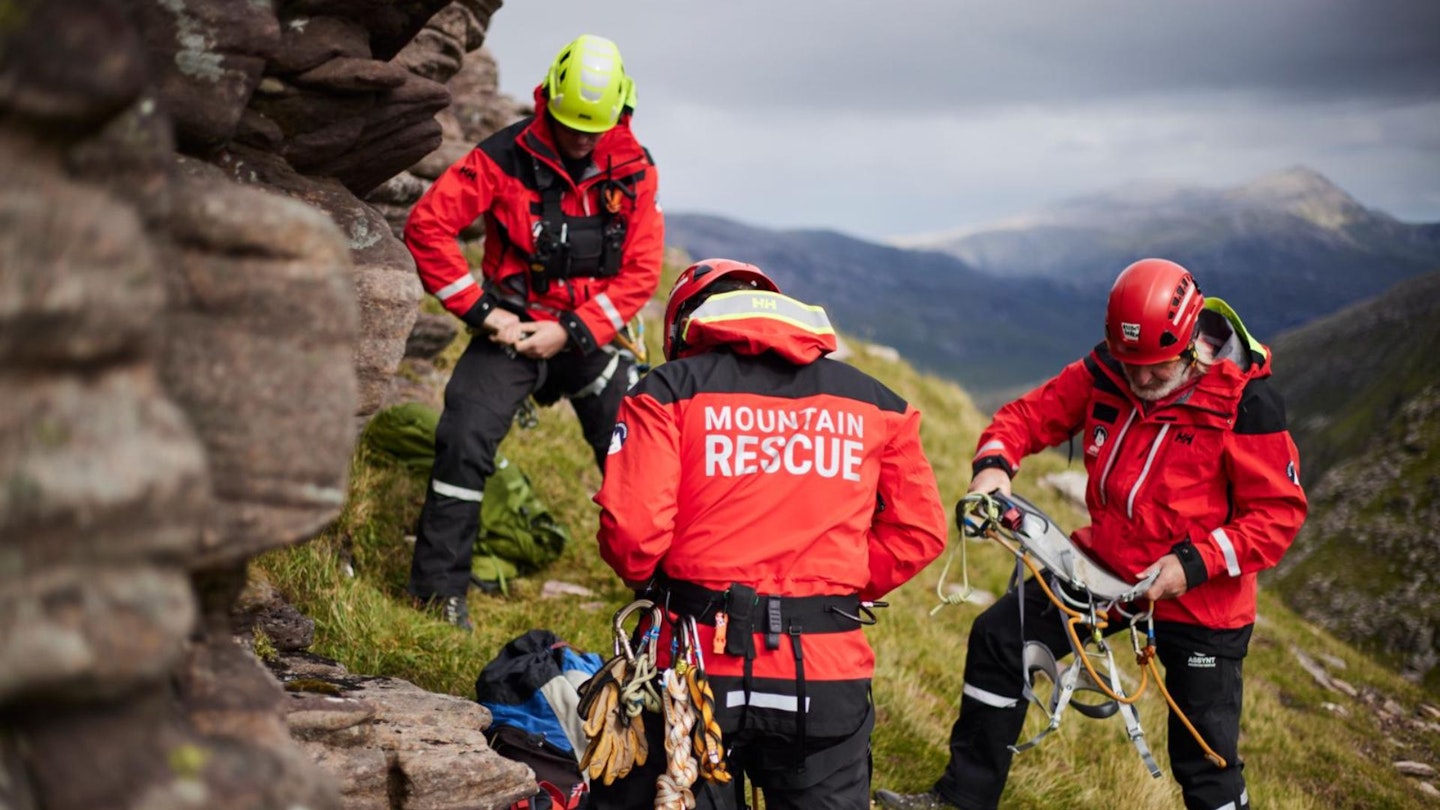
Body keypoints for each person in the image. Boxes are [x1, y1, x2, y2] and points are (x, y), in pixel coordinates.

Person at [876, 258, 1308, 810]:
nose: (1142, 380)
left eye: (1156, 367)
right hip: (1101, 570)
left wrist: (1191, 565)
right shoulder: (1110, 369)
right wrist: (994, 466)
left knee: (1205, 757)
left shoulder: (1246, 403)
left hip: (1200, 601)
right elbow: (1026, 418)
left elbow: (1277, 515)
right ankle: (962, 800)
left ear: (1191, 344)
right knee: (999, 639)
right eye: (1132, 365)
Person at [592, 259, 949, 809]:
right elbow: (919, 531)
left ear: (686, 326)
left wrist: (654, 580)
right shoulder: (879, 404)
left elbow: (633, 535)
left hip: (695, 666)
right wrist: (834, 589)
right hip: (828, 670)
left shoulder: (664, 391)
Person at [403, 33, 663, 630]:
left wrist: (572, 331)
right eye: (571, 125)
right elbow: (427, 228)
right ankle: (437, 593)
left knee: (639, 448)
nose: (580, 138)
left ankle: (664, 592)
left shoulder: (636, 170)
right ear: (548, 103)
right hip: (511, 328)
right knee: (465, 432)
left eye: (593, 128)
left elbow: (641, 271)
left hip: (589, 335)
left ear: (621, 112)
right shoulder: (503, 156)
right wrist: (482, 313)